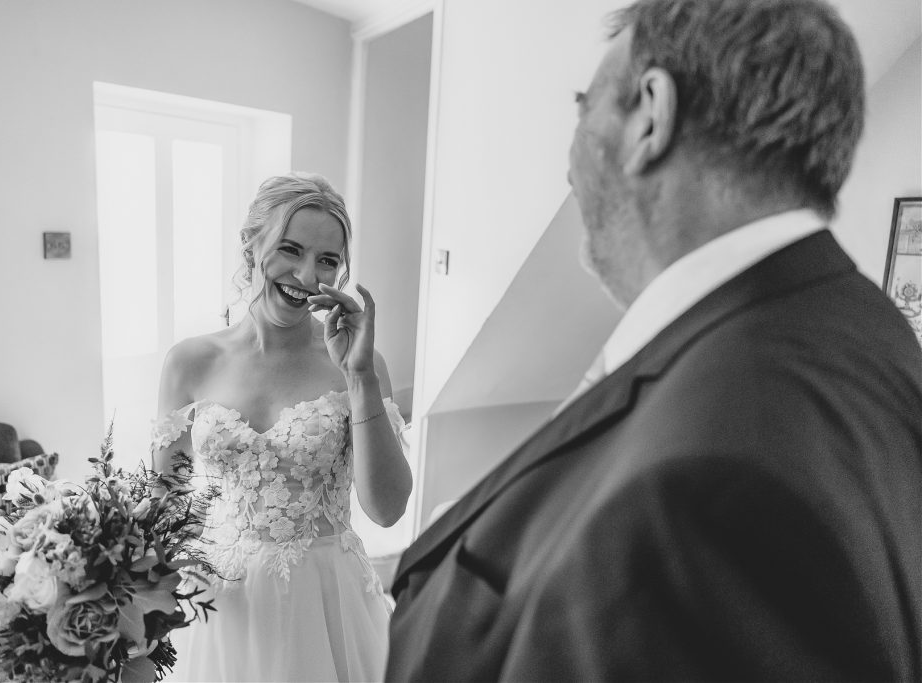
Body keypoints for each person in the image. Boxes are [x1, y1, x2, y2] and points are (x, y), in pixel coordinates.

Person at [386, 0, 922, 680]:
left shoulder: (716, 482)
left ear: (650, 113)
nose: (570, 159)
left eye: (584, 107)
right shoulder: (864, 330)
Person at [151, 172, 412, 682]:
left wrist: (358, 377)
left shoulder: (362, 363)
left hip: (328, 601)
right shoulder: (189, 362)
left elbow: (386, 509)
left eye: (328, 260)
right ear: (251, 247)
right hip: (221, 604)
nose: (307, 274)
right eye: (289, 249)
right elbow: (164, 509)